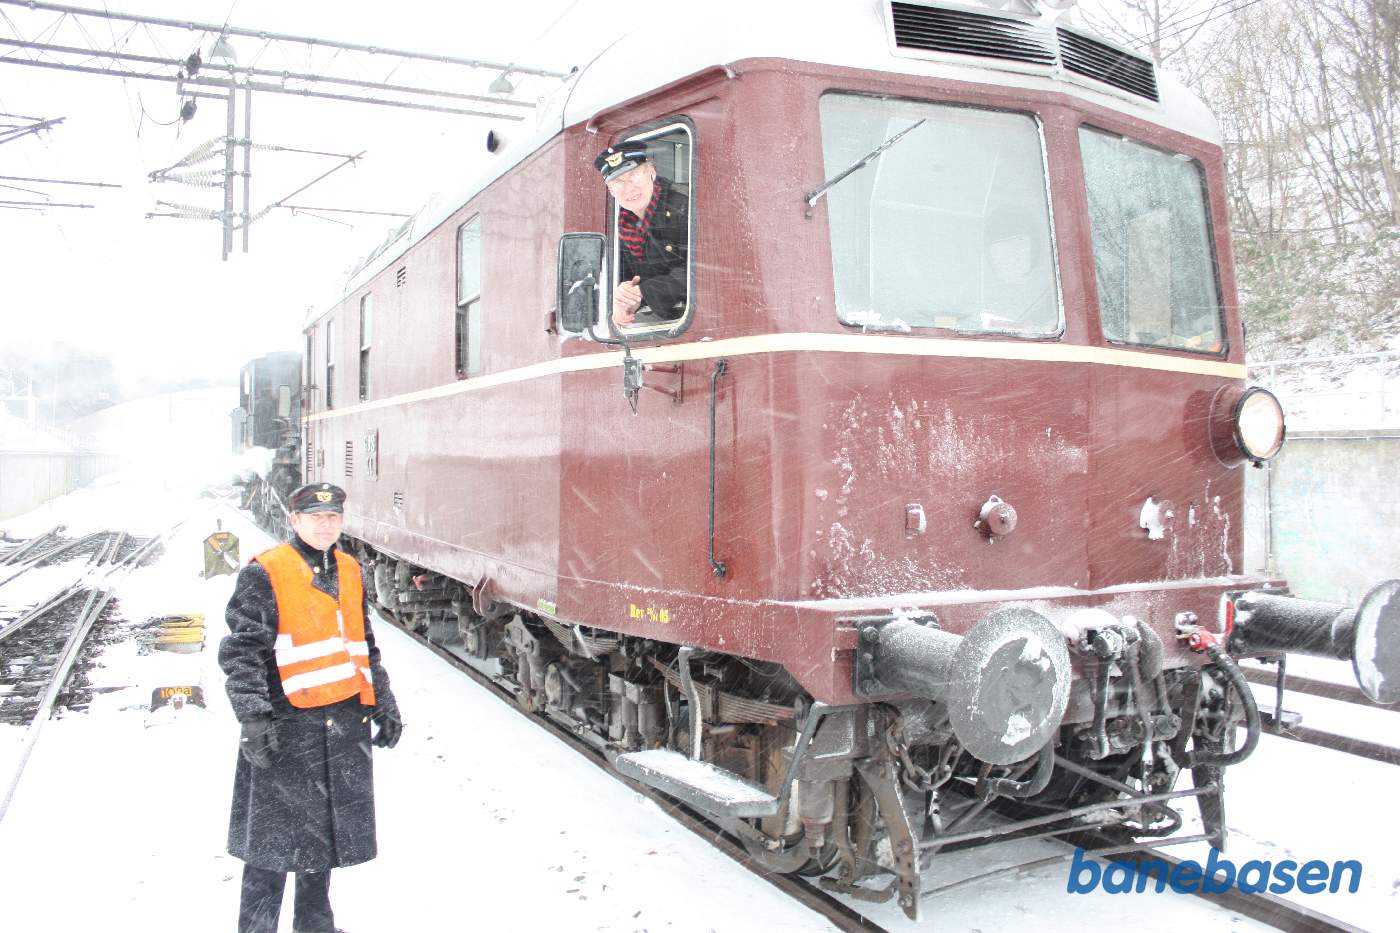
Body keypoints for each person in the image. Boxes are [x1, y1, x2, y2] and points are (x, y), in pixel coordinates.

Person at [220, 481, 403, 933]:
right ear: (294, 521)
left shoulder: (349, 569)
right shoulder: (266, 572)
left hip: (341, 723)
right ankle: (256, 928)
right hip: (286, 726)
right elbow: (242, 651)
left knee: (323, 838)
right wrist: (253, 716)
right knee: (270, 845)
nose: (326, 525)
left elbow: (364, 645)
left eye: (333, 517)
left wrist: (382, 701)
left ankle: (315, 926)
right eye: (316, 517)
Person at [594, 143, 690, 328]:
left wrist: (645, 292)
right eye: (618, 183)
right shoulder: (621, 227)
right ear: (611, 191)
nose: (628, 189)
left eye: (634, 176)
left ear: (651, 173)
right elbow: (626, 277)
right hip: (666, 324)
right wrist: (625, 300)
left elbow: (701, 272)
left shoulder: (684, 205)